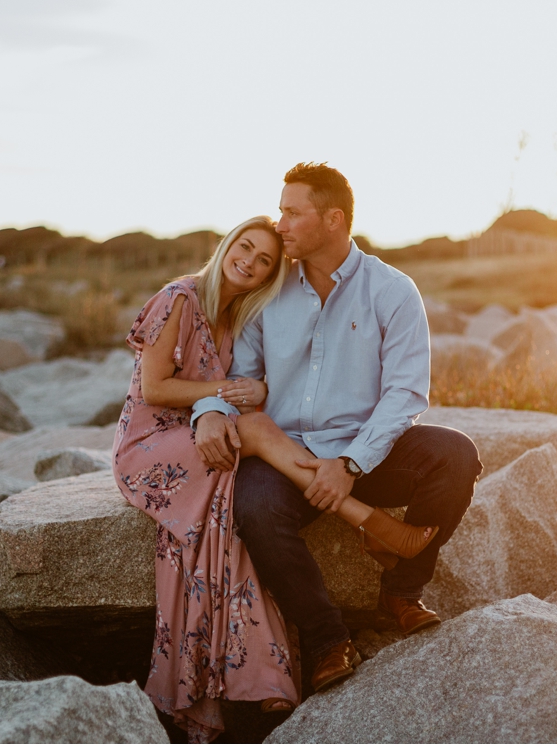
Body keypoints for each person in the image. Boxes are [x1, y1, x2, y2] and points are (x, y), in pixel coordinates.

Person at [112, 215, 436, 742]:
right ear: (226, 246)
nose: (252, 263)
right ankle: (362, 517)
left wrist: (244, 394)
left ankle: (257, 668)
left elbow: (252, 385)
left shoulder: (240, 311)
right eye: (246, 248)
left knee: (241, 511)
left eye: (265, 261)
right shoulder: (179, 296)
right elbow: (153, 390)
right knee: (259, 431)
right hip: (152, 444)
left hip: (203, 435)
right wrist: (224, 398)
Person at [191, 163, 482, 696]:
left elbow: (406, 394)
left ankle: (400, 592)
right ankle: (328, 639)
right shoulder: (267, 293)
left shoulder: (392, 290)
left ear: (333, 219)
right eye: (280, 211)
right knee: (254, 507)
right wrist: (209, 410)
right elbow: (240, 379)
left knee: (456, 455)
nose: (280, 224)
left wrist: (351, 464)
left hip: (367, 450)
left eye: (292, 212)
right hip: (287, 455)